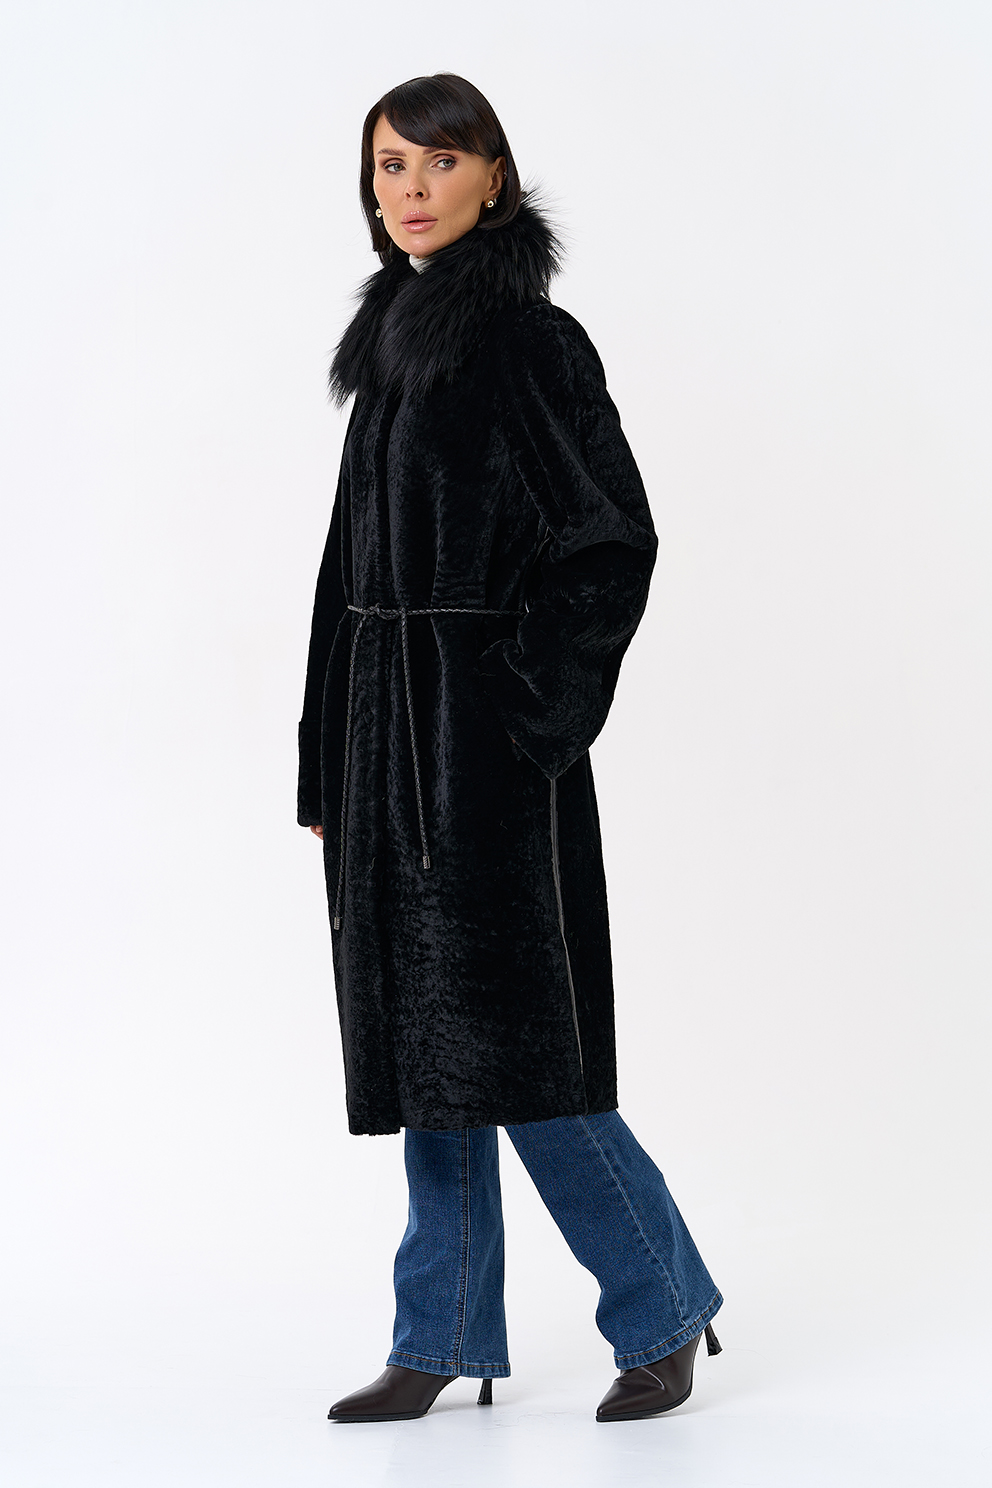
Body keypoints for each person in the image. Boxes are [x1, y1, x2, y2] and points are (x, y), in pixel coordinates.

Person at [298, 72, 723, 1425]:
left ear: (494, 175)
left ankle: (663, 1304)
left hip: (483, 757)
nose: (411, 189)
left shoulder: (531, 343)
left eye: (439, 162)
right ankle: (439, 1333)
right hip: (384, 746)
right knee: (425, 1054)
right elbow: (344, 575)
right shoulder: (392, 341)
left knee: (528, 1050)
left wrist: (522, 716)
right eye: (389, 166)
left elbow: (609, 542)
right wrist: (326, 761)